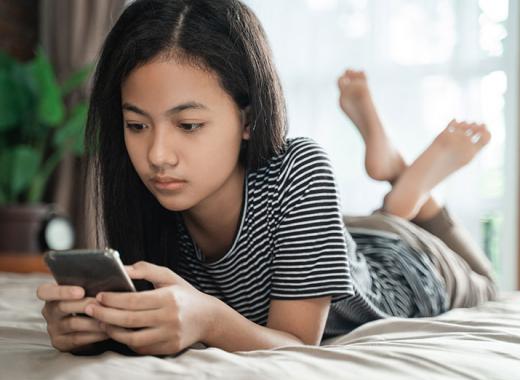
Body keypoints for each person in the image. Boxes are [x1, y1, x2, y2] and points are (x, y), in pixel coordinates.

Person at [36, 0, 497, 356]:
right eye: (137, 125)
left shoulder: (299, 168)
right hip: (344, 237)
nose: (157, 155)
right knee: (371, 228)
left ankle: (415, 190)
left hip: (409, 267)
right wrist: (91, 324)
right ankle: (400, 180)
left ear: (249, 119)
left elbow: (298, 345)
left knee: (488, 284)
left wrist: (211, 321)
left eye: (189, 125)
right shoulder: (146, 197)